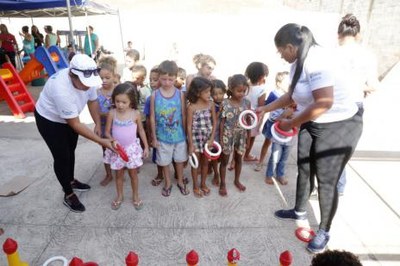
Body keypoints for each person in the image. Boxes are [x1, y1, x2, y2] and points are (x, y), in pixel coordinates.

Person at [257, 23, 362, 253]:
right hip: (313, 120)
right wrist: (264, 109)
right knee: (304, 167)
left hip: (339, 124)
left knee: (326, 180)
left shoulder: (317, 60)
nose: (280, 56)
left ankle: (324, 230)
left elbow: (324, 102)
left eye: (280, 51)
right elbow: (291, 96)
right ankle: (299, 210)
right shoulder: (297, 62)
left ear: (290, 47)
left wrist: (292, 122)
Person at [34, 54, 114, 213]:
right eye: (84, 84)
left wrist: (97, 122)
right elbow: (75, 124)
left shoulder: (88, 77)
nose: (87, 87)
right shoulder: (61, 89)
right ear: (72, 75)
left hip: (68, 118)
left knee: (71, 150)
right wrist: (101, 141)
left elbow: (92, 101)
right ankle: (68, 193)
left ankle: (70, 180)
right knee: (62, 156)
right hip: (49, 119)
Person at [335, 13, 380, 195]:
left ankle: (331, 188)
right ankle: (338, 188)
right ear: (358, 35)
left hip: (334, 107)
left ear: (338, 35)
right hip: (355, 107)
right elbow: (374, 86)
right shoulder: (367, 55)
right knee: (343, 150)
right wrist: (358, 86)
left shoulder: (333, 53)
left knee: (327, 150)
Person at [104, 82, 149, 210]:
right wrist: (112, 140)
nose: (120, 105)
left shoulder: (135, 114)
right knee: (118, 175)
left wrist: (146, 146)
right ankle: (119, 196)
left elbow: (141, 131)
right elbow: (107, 131)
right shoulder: (112, 113)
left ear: (131, 101)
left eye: (124, 102)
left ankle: (135, 196)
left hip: (131, 149)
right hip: (117, 150)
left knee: (133, 175)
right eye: (117, 101)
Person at [150, 60, 190, 197]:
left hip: (179, 137)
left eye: (170, 79)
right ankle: (167, 182)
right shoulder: (155, 95)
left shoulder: (180, 94)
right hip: (162, 137)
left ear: (176, 77)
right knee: (164, 161)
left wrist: (186, 135)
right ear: (159, 77)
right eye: (163, 79)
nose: (167, 82)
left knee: (179, 160)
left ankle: (180, 180)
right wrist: (154, 138)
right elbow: (152, 118)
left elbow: (184, 115)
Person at [219, 74, 251, 197]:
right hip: (227, 134)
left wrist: (248, 137)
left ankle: (237, 180)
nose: (241, 93)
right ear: (231, 89)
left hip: (241, 135)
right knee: (225, 160)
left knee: (239, 159)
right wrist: (222, 138)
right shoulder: (225, 103)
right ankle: (223, 183)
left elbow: (249, 121)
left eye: (244, 91)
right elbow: (221, 122)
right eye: (239, 91)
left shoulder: (246, 103)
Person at [187, 77, 217, 197]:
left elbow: (215, 122)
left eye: (210, 91)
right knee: (195, 163)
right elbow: (188, 126)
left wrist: (211, 139)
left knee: (205, 162)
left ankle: (203, 184)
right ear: (197, 92)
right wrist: (190, 144)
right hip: (195, 138)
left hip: (207, 137)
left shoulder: (211, 104)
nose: (209, 94)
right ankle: (195, 185)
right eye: (206, 91)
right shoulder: (191, 107)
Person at [255, 71, 290, 172]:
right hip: (272, 123)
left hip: (283, 125)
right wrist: (259, 122)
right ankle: (260, 162)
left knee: (279, 146)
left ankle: (276, 167)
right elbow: (266, 108)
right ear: (279, 83)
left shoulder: (290, 96)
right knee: (267, 142)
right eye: (287, 82)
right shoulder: (273, 94)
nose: (289, 85)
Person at [97, 56, 118, 186]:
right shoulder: (96, 92)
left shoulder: (117, 90)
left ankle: (120, 170)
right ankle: (109, 174)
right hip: (104, 126)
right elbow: (95, 111)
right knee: (105, 150)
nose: (104, 81)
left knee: (119, 148)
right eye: (101, 78)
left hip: (117, 126)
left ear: (114, 76)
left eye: (107, 78)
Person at [243, 62, 269, 162]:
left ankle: (237, 155)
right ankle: (246, 155)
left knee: (242, 135)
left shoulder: (244, 86)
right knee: (252, 136)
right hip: (254, 117)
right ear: (261, 77)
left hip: (243, 115)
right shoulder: (261, 90)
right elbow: (261, 106)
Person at [265, 103, 296, 185]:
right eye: (291, 105)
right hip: (278, 139)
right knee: (275, 158)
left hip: (290, 140)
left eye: (295, 107)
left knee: (283, 160)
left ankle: (280, 175)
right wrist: (284, 115)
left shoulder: (299, 113)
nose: (292, 108)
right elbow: (275, 121)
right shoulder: (281, 110)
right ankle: (269, 175)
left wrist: (294, 119)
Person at [210, 79, 227, 187]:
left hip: (225, 133)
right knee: (215, 155)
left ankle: (216, 170)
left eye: (220, 93)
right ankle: (216, 173)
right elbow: (213, 121)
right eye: (215, 94)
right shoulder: (212, 105)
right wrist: (219, 111)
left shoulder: (226, 103)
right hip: (215, 134)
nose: (218, 96)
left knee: (223, 155)